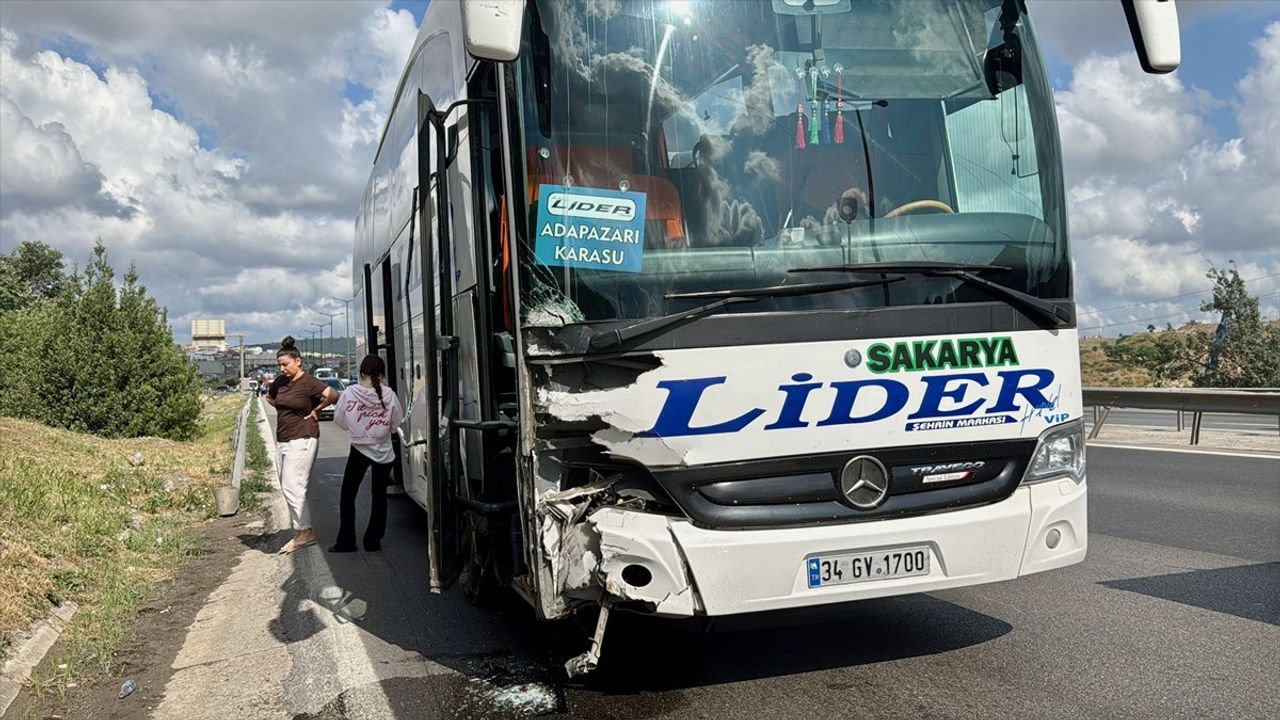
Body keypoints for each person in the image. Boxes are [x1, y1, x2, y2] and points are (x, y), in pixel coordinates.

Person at [265, 335, 339, 554]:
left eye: (285, 364)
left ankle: (305, 532)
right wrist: (281, 403)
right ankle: (301, 532)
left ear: (298, 362)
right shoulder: (280, 382)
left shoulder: (308, 382)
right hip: (284, 439)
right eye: (279, 365)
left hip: (304, 437)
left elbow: (333, 394)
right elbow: (270, 398)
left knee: (293, 485)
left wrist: (317, 410)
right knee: (287, 486)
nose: (282, 369)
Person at [330, 354, 403, 553]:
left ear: (361, 372)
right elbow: (397, 423)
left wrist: (354, 428)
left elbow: (339, 419)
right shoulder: (389, 395)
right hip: (384, 451)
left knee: (348, 495)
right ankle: (373, 541)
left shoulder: (350, 393)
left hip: (359, 449)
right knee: (379, 496)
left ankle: (346, 541)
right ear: (382, 373)